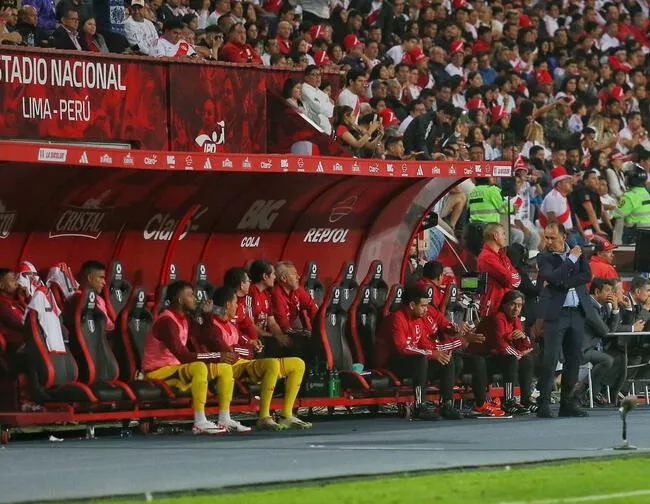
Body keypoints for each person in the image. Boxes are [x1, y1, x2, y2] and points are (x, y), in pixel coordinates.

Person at [203, 286, 312, 430]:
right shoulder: (213, 327)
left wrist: (250, 343)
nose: (238, 306)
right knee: (271, 364)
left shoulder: (230, 323)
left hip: (245, 363)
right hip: (233, 368)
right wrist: (247, 349)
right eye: (236, 302)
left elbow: (242, 343)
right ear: (228, 305)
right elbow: (232, 353)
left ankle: (286, 415)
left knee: (297, 364)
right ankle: (264, 417)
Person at [141, 281, 233, 435]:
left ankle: (224, 417)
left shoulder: (186, 319)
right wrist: (217, 356)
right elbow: (183, 356)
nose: (195, 298)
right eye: (190, 295)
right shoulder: (167, 321)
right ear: (179, 299)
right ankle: (199, 421)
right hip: (157, 371)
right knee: (199, 367)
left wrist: (208, 314)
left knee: (224, 368)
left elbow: (204, 337)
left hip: (175, 369)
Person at [374, 285, 463, 420]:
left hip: (412, 361)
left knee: (446, 360)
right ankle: (419, 406)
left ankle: (447, 405)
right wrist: (432, 354)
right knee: (421, 359)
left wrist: (439, 352)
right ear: (411, 305)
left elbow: (424, 344)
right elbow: (402, 348)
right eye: (423, 306)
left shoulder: (418, 320)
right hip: (392, 362)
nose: (426, 310)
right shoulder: (396, 319)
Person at [536, 222, 592, 418]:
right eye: (546, 237)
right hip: (555, 313)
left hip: (577, 312)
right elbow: (551, 276)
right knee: (550, 359)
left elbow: (587, 275)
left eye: (552, 237)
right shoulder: (543, 257)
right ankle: (542, 404)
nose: (548, 241)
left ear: (563, 236)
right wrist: (570, 261)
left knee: (574, 360)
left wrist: (564, 282)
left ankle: (567, 403)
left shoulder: (578, 251)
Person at [478, 290, 535, 415]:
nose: (516, 308)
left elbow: (525, 346)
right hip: (482, 358)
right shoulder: (498, 318)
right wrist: (519, 354)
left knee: (527, 360)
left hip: (499, 357)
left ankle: (526, 399)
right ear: (504, 305)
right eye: (513, 304)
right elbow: (501, 345)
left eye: (519, 305)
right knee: (512, 359)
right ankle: (508, 401)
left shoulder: (516, 320)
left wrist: (523, 337)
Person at [578, 278, 626, 407]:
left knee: (618, 357)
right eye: (608, 290)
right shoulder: (589, 306)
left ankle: (589, 393)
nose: (611, 294)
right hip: (580, 349)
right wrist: (612, 314)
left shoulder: (601, 306)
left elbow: (610, 330)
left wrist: (615, 309)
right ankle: (585, 393)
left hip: (591, 348)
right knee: (607, 360)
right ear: (597, 291)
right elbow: (605, 331)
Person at [271, 261, 318, 360]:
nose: (298, 277)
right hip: (277, 332)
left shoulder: (297, 289)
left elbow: (312, 307)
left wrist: (317, 328)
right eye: (294, 274)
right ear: (283, 278)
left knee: (315, 337)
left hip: (292, 329)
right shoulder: (276, 293)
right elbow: (283, 323)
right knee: (302, 339)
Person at [246, 260, 292, 354]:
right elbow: (250, 325)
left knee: (289, 342)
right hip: (253, 339)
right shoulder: (250, 293)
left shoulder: (267, 294)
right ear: (265, 276)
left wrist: (281, 336)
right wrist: (273, 336)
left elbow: (272, 323)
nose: (275, 277)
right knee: (274, 344)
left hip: (265, 337)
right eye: (273, 274)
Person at [477, 223, 521, 317]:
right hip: (494, 309)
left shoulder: (502, 255)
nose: (505, 237)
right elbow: (508, 278)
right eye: (503, 234)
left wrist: (509, 276)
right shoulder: (486, 257)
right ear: (495, 236)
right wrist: (509, 275)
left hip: (506, 307)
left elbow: (517, 280)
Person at [63, 261, 114, 332]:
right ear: (89, 278)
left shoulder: (100, 299)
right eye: (101, 278)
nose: (104, 282)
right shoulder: (78, 298)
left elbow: (109, 325)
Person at [613, 166, 650, 245]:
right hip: (647, 229)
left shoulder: (629, 196)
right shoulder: (646, 192)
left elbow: (617, 214)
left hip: (634, 232)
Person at [0, 268, 26, 352]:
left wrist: (24, 299)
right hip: (16, 348)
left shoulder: (14, 303)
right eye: (12, 280)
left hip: (26, 343)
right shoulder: (2, 305)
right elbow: (22, 324)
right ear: (2, 286)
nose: (17, 283)